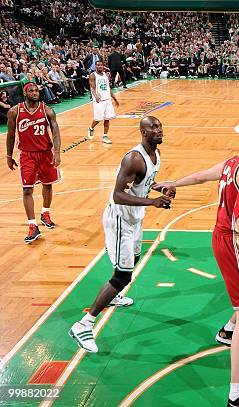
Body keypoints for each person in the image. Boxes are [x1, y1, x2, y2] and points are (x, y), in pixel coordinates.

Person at [154, 127, 239, 407]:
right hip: (233, 241)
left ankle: (227, 331)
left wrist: (174, 183)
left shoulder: (232, 163)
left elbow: (202, 175)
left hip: (228, 238)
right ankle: (236, 396)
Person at [69, 116, 174, 353]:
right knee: (123, 276)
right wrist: (153, 202)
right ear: (143, 132)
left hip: (135, 219)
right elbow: (118, 194)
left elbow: (144, 181)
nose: (159, 130)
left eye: (160, 126)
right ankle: (83, 324)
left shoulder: (155, 155)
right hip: (120, 220)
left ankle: (113, 296)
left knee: (134, 260)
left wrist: (160, 188)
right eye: (153, 127)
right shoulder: (134, 158)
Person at [6, 82, 61, 243]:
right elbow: (10, 135)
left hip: (45, 153)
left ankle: (45, 213)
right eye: (31, 90)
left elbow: (56, 133)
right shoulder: (14, 111)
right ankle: (32, 225)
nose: (35, 93)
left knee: (48, 184)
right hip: (27, 155)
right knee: (27, 190)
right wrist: (9, 156)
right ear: (25, 93)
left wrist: (57, 153)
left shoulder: (47, 111)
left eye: (37, 90)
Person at [87, 60, 119, 144]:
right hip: (99, 100)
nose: (100, 66)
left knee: (107, 118)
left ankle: (105, 136)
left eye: (101, 65)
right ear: (96, 66)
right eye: (98, 65)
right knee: (98, 119)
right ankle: (91, 128)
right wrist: (96, 96)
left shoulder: (106, 74)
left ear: (103, 66)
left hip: (107, 99)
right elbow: (92, 88)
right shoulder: (93, 75)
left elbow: (108, 88)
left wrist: (114, 98)